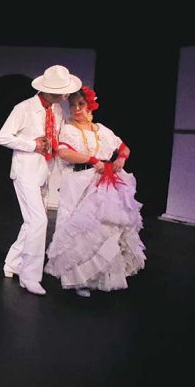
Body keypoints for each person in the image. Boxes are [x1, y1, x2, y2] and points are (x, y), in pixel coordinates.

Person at [44, 87, 146, 296]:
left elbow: (124, 147)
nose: (76, 108)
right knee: (79, 229)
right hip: (78, 181)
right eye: (72, 105)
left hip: (103, 183)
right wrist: (91, 160)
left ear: (90, 105)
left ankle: (102, 277)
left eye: (80, 104)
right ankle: (77, 279)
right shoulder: (67, 129)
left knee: (102, 229)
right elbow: (63, 152)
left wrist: (121, 158)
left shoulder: (102, 130)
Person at [0, 65, 81, 296]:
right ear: (48, 90)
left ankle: (12, 263)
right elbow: (2, 137)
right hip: (25, 171)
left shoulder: (57, 110)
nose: (66, 96)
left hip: (44, 170)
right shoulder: (24, 108)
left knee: (32, 222)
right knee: (38, 221)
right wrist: (32, 144)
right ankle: (30, 276)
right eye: (62, 92)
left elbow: (57, 137)